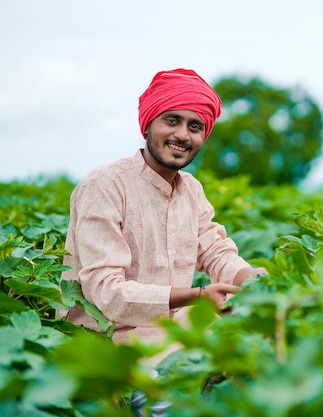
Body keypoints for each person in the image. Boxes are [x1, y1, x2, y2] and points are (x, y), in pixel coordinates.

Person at [57, 68, 266, 365]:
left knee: (255, 345)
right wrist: (198, 295)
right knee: (190, 374)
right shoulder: (104, 186)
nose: (182, 135)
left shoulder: (191, 189)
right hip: (107, 340)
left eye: (195, 127)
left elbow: (215, 252)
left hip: (169, 330)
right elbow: (108, 292)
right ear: (147, 126)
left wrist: (257, 282)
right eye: (172, 120)